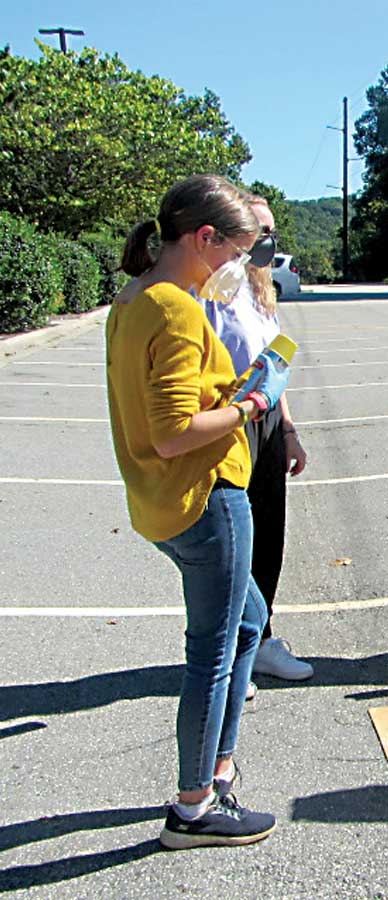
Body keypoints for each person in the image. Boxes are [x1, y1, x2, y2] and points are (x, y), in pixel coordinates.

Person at [108, 174, 289, 849]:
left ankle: (217, 761)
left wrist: (235, 388)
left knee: (248, 620)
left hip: (163, 499)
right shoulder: (177, 308)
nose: (239, 267)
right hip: (204, 496)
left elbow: (166, 408)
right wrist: (254, 403)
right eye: (235, 252)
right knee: (213, 650)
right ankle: (194, 806)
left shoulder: (134, 297)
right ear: (202, 237)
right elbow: (174, 430)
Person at [203, 192, 312, 684]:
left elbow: (276, 366)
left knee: (268, 535)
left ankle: (261, 640)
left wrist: (288, 430)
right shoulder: (210, 289)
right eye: (259, 233)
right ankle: (228, 657)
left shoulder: (262, 290)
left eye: (272, 233)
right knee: (230, 544)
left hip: (266, 420)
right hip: (227, 421)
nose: (267, 243)